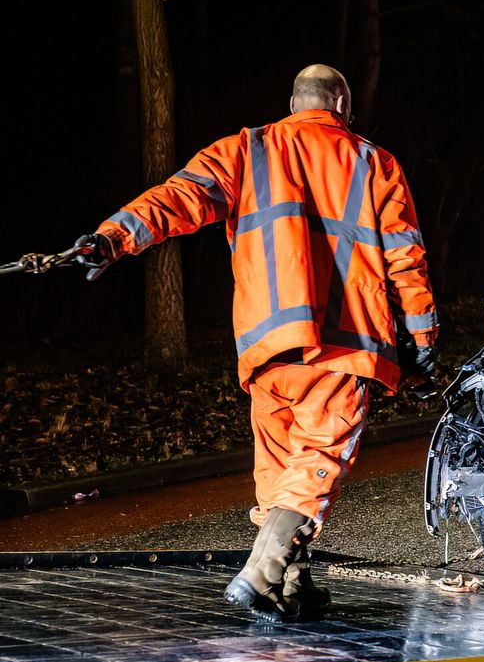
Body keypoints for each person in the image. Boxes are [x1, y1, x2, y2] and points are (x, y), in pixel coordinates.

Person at [77, 65, 438, 620]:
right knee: (318, 458)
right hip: (342, 342)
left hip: (267, 346)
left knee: (278, 468)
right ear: (342, 107)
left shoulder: (247, 150)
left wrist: (112, 238)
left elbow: (179, 198)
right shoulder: (373, 162)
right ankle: (260, 573)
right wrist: (421, 342)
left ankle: (290, 585)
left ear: (294, 103)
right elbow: (404, 259)